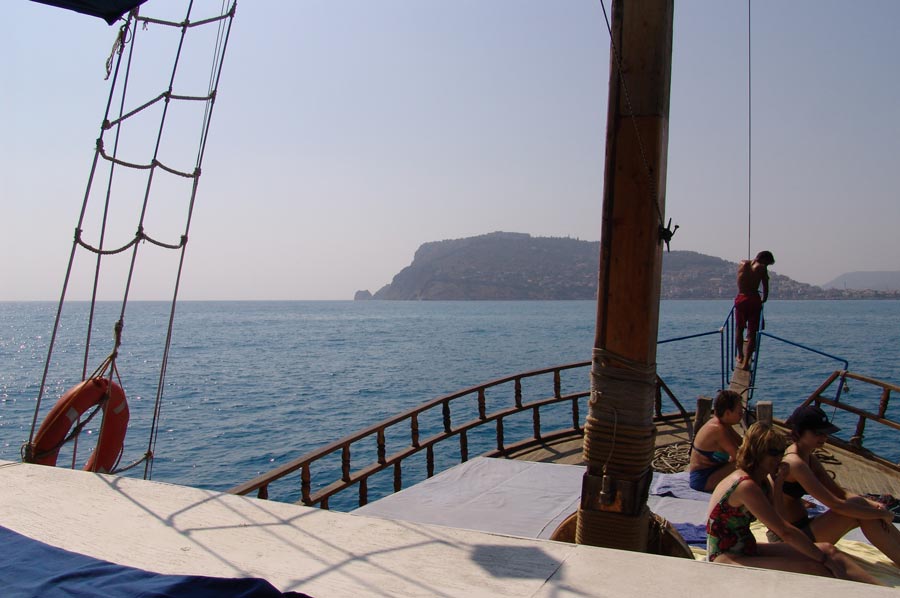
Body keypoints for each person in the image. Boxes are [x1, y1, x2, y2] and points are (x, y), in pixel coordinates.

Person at [706, 422, 880, 584]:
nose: (779, 457)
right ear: (757, 452)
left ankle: (882, 591)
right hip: (726, 557)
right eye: (773, 452)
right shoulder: (745, 485)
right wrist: (824, 560)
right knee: (819, 568)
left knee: (829, 550)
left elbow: (780, 518)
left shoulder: (761, 480)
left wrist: (778, 482)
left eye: (781, 452)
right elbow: (784, 531)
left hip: (746, 548)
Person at [775, 404, 900, 567]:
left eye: (825, 433)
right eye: (817, 433)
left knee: (865, 507)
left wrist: (874, 505)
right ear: (799, 432)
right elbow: (836, 505)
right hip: (789, 538)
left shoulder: (809, 458)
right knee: (864, 511)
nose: (823, 437)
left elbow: (841, 493)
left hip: (804, 527)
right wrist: (881, 514)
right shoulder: (794, 462)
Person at [688, 390, 743, 492]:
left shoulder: (725, 424)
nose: (742, 415)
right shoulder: (717, 429)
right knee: (744, 465)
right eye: (739, 412)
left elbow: (742, 443)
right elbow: (740, 457)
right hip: (703, 479)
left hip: (715, 470)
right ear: (727, 413)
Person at [734, 250, 775, 370]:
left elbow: (740, 281)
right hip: (753, 300)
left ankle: (740, 355)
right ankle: (746, 362)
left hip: (741, 298)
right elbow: (765, 286)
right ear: (764, 260)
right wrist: (764, 299)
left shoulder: (741, 263)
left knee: (739, 328)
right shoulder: (761, 268)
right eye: (767, 263)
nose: (766, 266)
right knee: (752, 333)